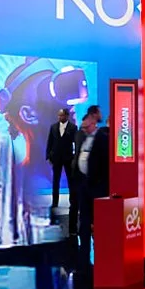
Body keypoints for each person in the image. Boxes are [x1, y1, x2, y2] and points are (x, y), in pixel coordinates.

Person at [70, 105, 110, 264]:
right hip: (84, 186)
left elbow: (105, 165)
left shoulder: (102, 139)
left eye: (86, 127)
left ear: (93, 123)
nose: (84, 129)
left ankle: (101, 255)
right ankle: (83, 256)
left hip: (98, 189)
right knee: (84, 222)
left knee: (99, 223)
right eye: (82, 127)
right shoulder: (83, 137)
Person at [44, 107, 77, 219]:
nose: (60, 117)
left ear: (67, 116)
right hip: (56, 158)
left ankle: (73, 201)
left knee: (71, 181)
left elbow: (75, 144)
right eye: (59, 115)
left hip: (68, 158)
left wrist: (75, 158)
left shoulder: (73, 127)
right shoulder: (53, 127)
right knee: (55, 181)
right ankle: (55, 202)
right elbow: (50, 142)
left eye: (62, 115)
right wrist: (48, 156)